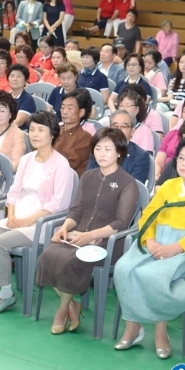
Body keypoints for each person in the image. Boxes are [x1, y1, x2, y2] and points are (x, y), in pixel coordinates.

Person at [113, 136, 185, 358]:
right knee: (123, 269)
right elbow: (148, 215)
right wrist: (150, 240)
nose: (184, 163)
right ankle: (132, 327)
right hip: (156, 241)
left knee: (154, 276)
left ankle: (160, 329)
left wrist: (177, 247)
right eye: (181, 158)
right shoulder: (168, 186)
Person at [36, 127, 139, 333]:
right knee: (47, 255)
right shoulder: (88, 176)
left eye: (108, 149)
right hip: (78, 235)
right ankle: (73, 305)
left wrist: (90, 236)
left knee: (69, 260)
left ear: (119, 152)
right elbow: (77, 210)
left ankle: (62, 310)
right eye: (98, 149)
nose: (102, 154)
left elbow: (121, 223)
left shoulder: (128, 183)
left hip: (108, 242)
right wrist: (64, 228)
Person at [0, 110, 74, 313]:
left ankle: (6, 293)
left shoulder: (61, 165)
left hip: (41, 224)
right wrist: (10, 215)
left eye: (41, 130)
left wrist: (29, 220)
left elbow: (58, 204)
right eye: (32, 129)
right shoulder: (27, 159)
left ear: (52, 133)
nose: (35, 134)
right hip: (17, 218)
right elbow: (14, 191)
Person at [86, 110, 149, 183]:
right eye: (115, 125)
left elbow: (134, 186)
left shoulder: (140, 156)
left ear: (132, 131)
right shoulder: (98, 150)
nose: (119, 129)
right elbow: (89, 178)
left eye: (124, 126)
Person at [55, 89, 93, 176]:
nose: (64, 112)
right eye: (63, 107)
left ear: (81, 112)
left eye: (70, 108)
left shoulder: (85, 137)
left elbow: (70, 164)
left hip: (64, 179)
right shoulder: (55, 129)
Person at [8, 64, 37, 129]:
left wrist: (0, 130)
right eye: (12, 76)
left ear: (25, 81)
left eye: (19, 76)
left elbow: (18, 122)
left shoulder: (27, 99)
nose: (15, 79)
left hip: (19, 133)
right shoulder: (5, 96)